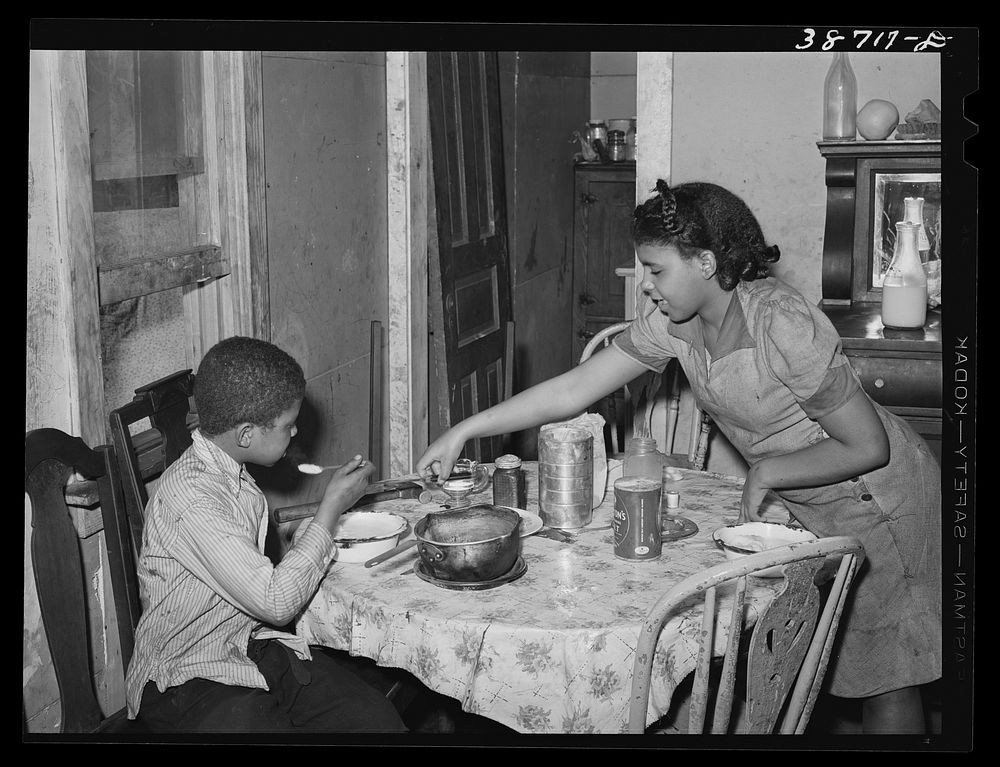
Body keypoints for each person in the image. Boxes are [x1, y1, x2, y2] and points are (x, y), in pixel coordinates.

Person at [416, 180, 941, 735]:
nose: (644, 286)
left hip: (879, 497)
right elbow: (574, 390)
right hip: (808, 497)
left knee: (886, 677)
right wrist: (466, 430)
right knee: (833, 660)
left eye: (655, 270)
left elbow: (867, 445)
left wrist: (767, 472)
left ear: (708, 262)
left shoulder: (780, 320)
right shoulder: (675, 323)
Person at [126, 336, 408, 733]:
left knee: (373, 721)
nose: (294, 434)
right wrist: (330, 509)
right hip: (184, 675)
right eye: (288, 425)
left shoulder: (232, 475)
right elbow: (275, 603)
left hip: (246, 641)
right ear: (245, 434)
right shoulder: (191, 499)